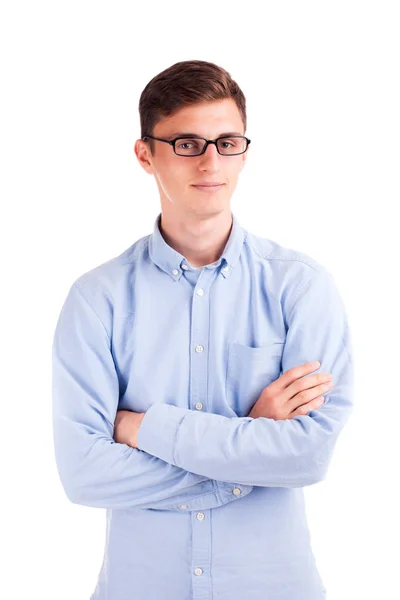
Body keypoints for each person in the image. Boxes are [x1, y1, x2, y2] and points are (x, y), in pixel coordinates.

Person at [51, 59, 354, 600]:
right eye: (187, 143)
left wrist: (145, 430)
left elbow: (308, 456)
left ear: (244, 151)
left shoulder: (301, 288)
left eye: (227, 141)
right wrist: (251, 442)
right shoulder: (96, 300)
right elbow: (85, 475)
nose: (211, 160)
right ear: (146, 155)